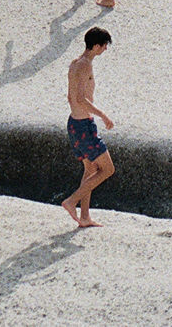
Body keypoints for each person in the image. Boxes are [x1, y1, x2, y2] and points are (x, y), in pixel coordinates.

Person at [61, 28, 114, 229]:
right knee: (107, 169)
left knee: (90, 169)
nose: (106, 49)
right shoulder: (84, 66)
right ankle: (71, 201)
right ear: (96, 45)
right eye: (105, 45)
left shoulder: (75, 63)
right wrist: (103, 115)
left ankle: (84, 217)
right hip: (83, 125)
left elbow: (70, 97)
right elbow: (80, 99)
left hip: (74, 123)